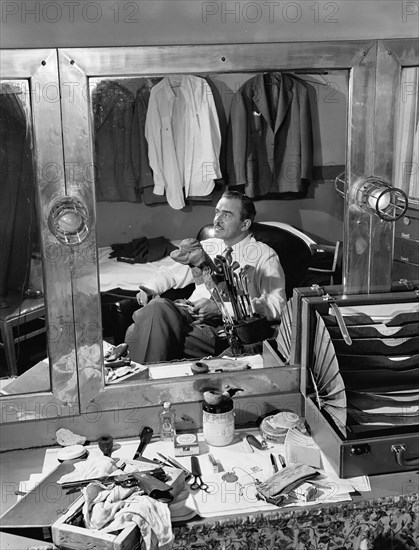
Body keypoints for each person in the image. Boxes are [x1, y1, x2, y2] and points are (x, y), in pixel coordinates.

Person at [125, 190, 286, 362]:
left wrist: (222, 310)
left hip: (223, 328)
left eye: (227, 215)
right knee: (157, 307)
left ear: (245, 224)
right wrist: (150, 288)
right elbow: (171, 273)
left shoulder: (264, 255)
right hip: (188, 314)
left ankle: (142, 382)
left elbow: (278, 304)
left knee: (136, 331)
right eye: (217, 212)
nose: (217, 219)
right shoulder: (207, 246)